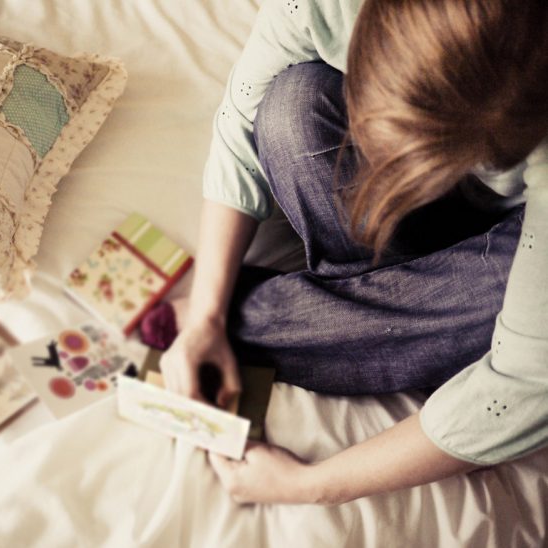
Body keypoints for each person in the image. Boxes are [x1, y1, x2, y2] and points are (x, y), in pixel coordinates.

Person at [158, 0, 548, 504]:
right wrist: (204, 317)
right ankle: (394, 325)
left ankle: (287, 324)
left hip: (516, 232)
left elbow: (525, 384)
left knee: (517, 307)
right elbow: (240, 122)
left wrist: (308, 485)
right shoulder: (327, 6)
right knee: (289, 106)